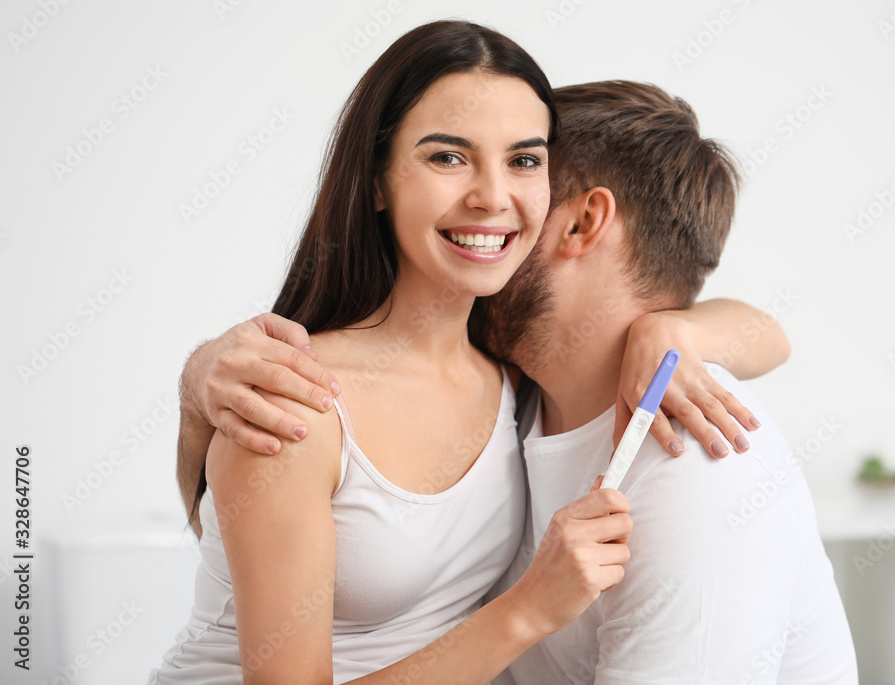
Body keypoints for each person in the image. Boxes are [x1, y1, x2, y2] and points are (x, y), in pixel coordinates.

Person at [151, 21, 786, 685]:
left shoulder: (513, 369)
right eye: (447, 157)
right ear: (376, 182)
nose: (491, 196)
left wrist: (675, 333)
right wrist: (527, 610)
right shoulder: (294, 397)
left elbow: (769, 333)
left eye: (524, 160)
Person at [472, 81, 859, 684]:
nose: (485, 207)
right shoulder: (513, 393)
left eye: (523, 172)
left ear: (582, 221)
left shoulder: (700, 467)